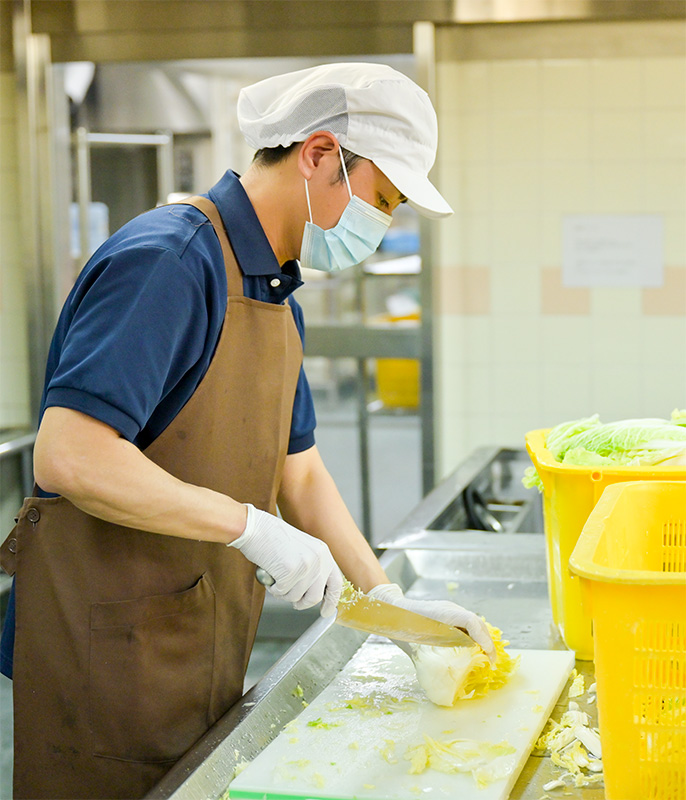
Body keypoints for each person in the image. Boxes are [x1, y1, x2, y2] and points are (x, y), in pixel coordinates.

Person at [0, 62, 494, 800]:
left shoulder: (276, 296)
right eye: (382, 200)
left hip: (194, 640)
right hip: (103, 658)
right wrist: (249, 528)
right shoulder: (170, 260)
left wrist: (386, 599)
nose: (382, 225)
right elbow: (71, 454)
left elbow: (301, 471)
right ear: (320, 154)